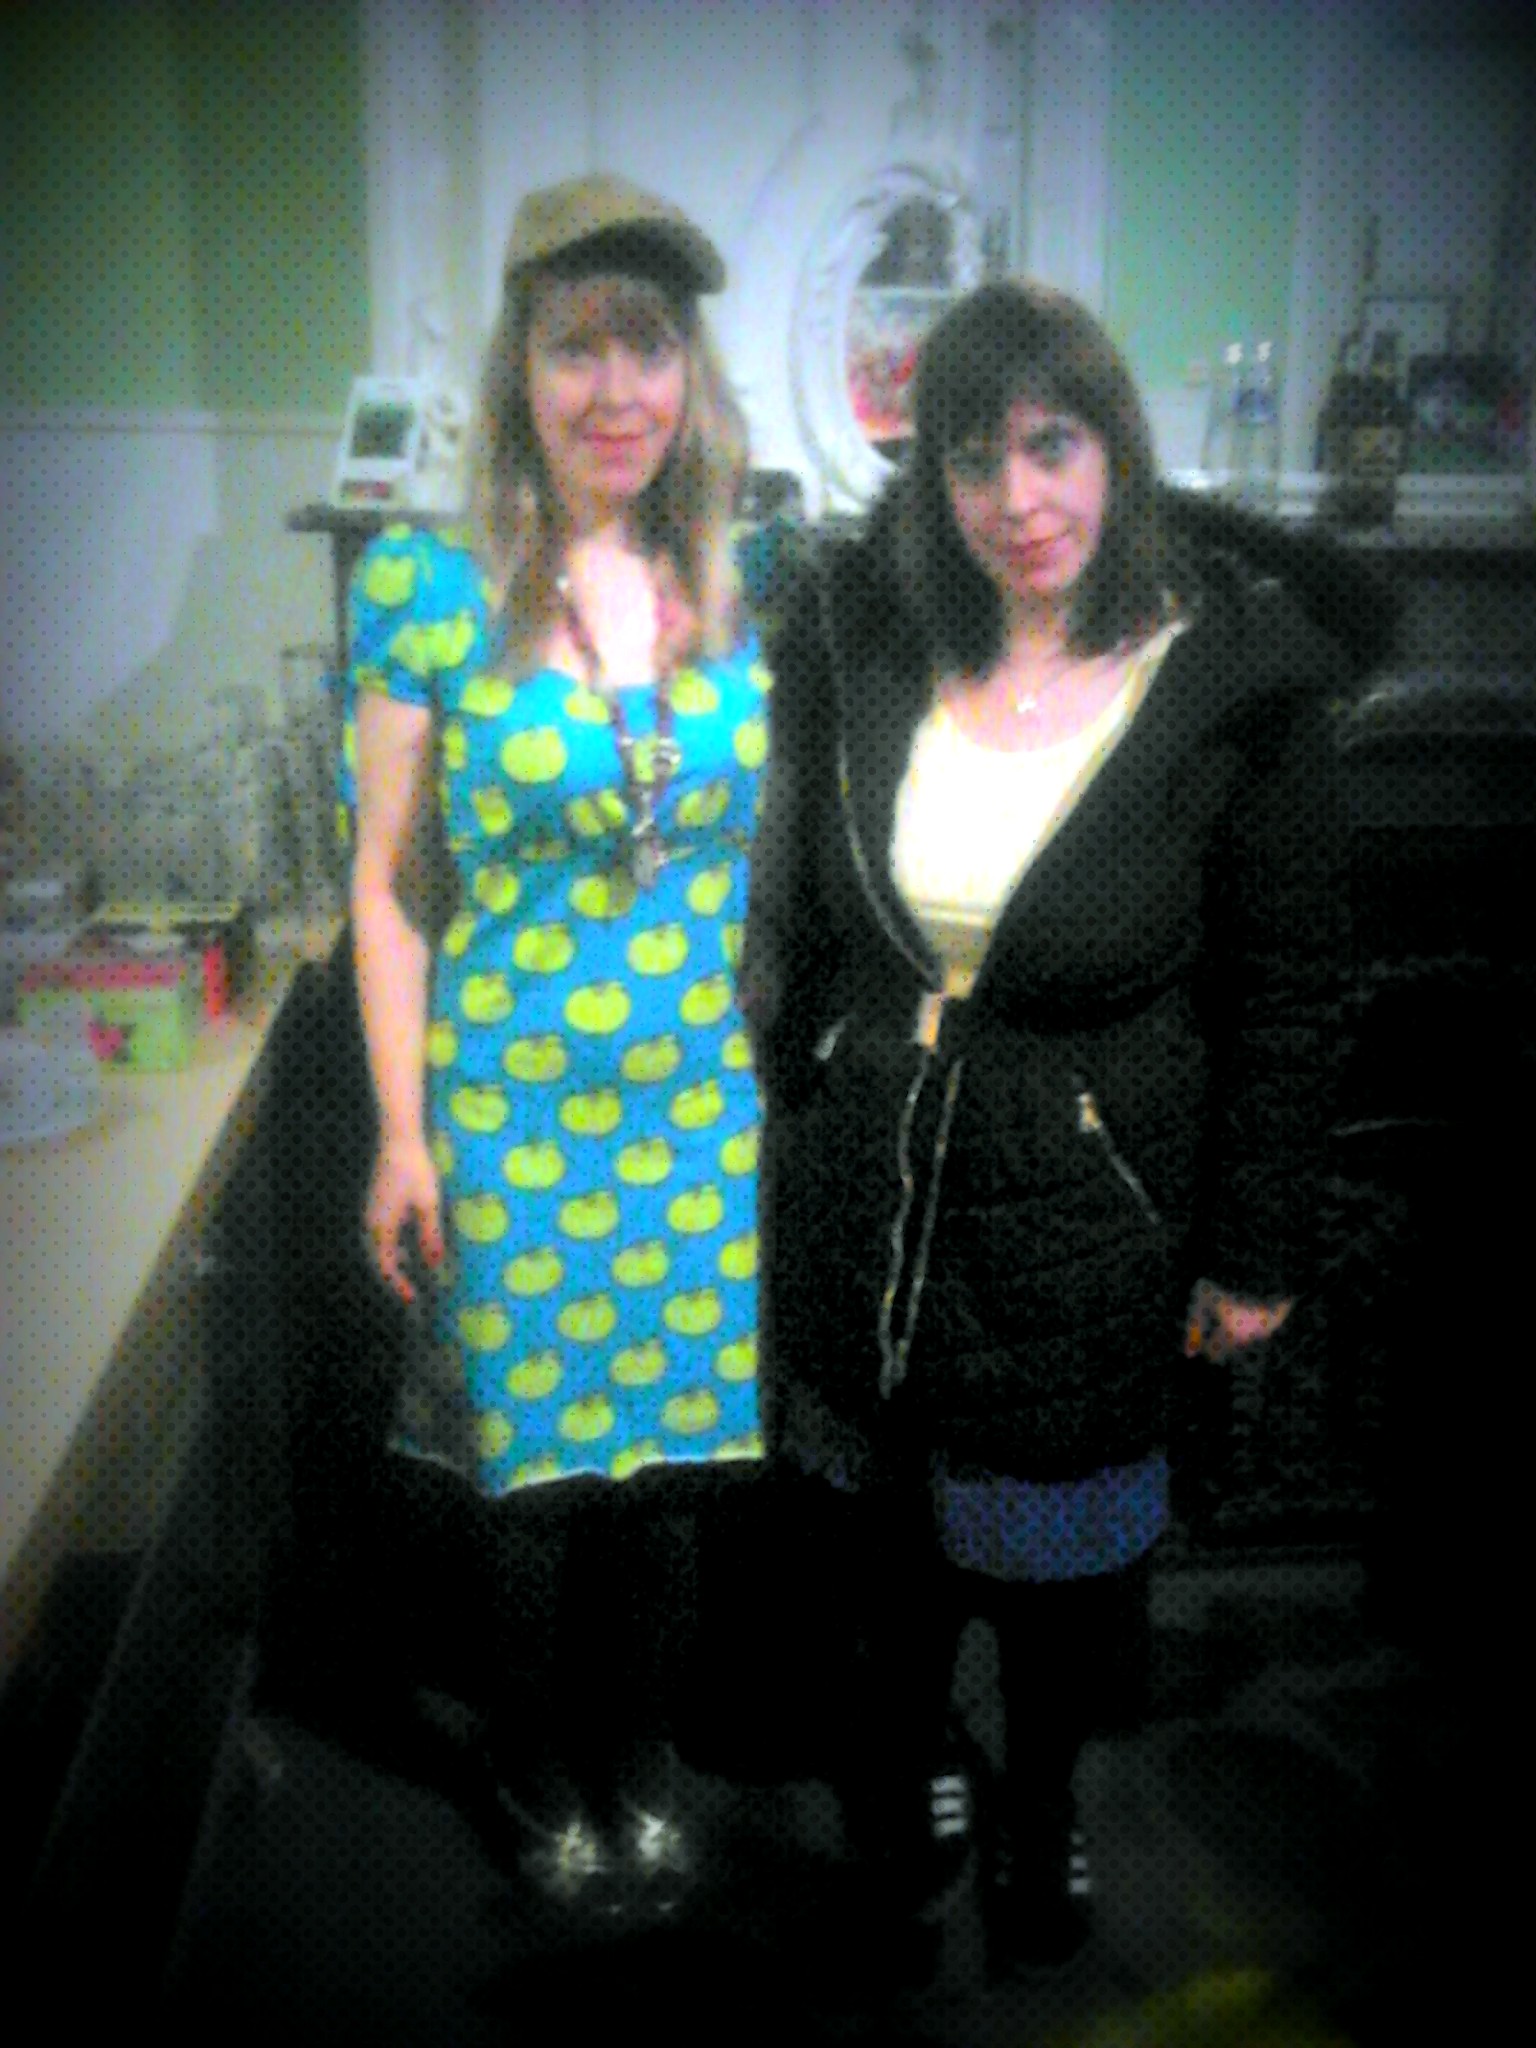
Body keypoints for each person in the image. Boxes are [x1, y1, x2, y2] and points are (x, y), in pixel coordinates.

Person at [744, 280, 1397, 1980]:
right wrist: (799, 1083)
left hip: (1093, 1211)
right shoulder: (872, 642)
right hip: (875, 1196)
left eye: (1053, 446)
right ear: (931, 479)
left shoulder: (1233, 683)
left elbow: (1292, 992)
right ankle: (914, 1773)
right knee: (889, 1559)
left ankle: (1039, 1804)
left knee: (1055, 1578)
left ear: (1117, 449)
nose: (1017, 498)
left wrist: (1256, 1251)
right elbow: (804, 905)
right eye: (974, 459)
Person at [344, 172, 766, 1907]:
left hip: (693, 1110)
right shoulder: (428, 587)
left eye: (647, 348)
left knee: (668, 1470)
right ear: (520, 369)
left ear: (690, 373)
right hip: (509, 1108)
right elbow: (387, 887)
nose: (615, 389)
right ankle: (530, 1767)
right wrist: (402, 1134)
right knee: (527, 1477)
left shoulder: (737, 578)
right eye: (576, 347)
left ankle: (641, 1757)